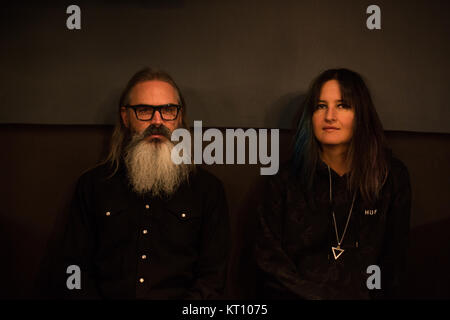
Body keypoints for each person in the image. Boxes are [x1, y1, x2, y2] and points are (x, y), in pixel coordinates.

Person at [53, 67, 230, 299]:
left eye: (168, 110)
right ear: (126, 117)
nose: (157, 121)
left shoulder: (208, 190)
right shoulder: (92, 186)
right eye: (145, 110)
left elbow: (212, 279)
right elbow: (74, 268)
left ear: (179, 116)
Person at [255, 68, 411, 299]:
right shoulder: (284, 180)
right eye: (321, 106)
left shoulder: (391, 177)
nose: (330, 116)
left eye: (342, 105)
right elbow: (269, 261)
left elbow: (393, 264)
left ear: (361, 114)